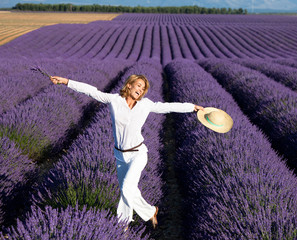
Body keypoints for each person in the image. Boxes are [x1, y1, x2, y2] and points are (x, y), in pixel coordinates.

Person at [50, 74, 204, 230]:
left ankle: (122, 225)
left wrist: (192, 107)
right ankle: (149, 212)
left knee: (126, 187)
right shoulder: (114, 100)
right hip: (120, 155)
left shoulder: (145, 105)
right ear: (129, 85)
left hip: (138, 153)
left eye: (143, 88)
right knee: (129, 190)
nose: (141, 90)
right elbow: (91, 91)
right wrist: (66, 81)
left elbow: (168, 106)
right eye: (138, 85)